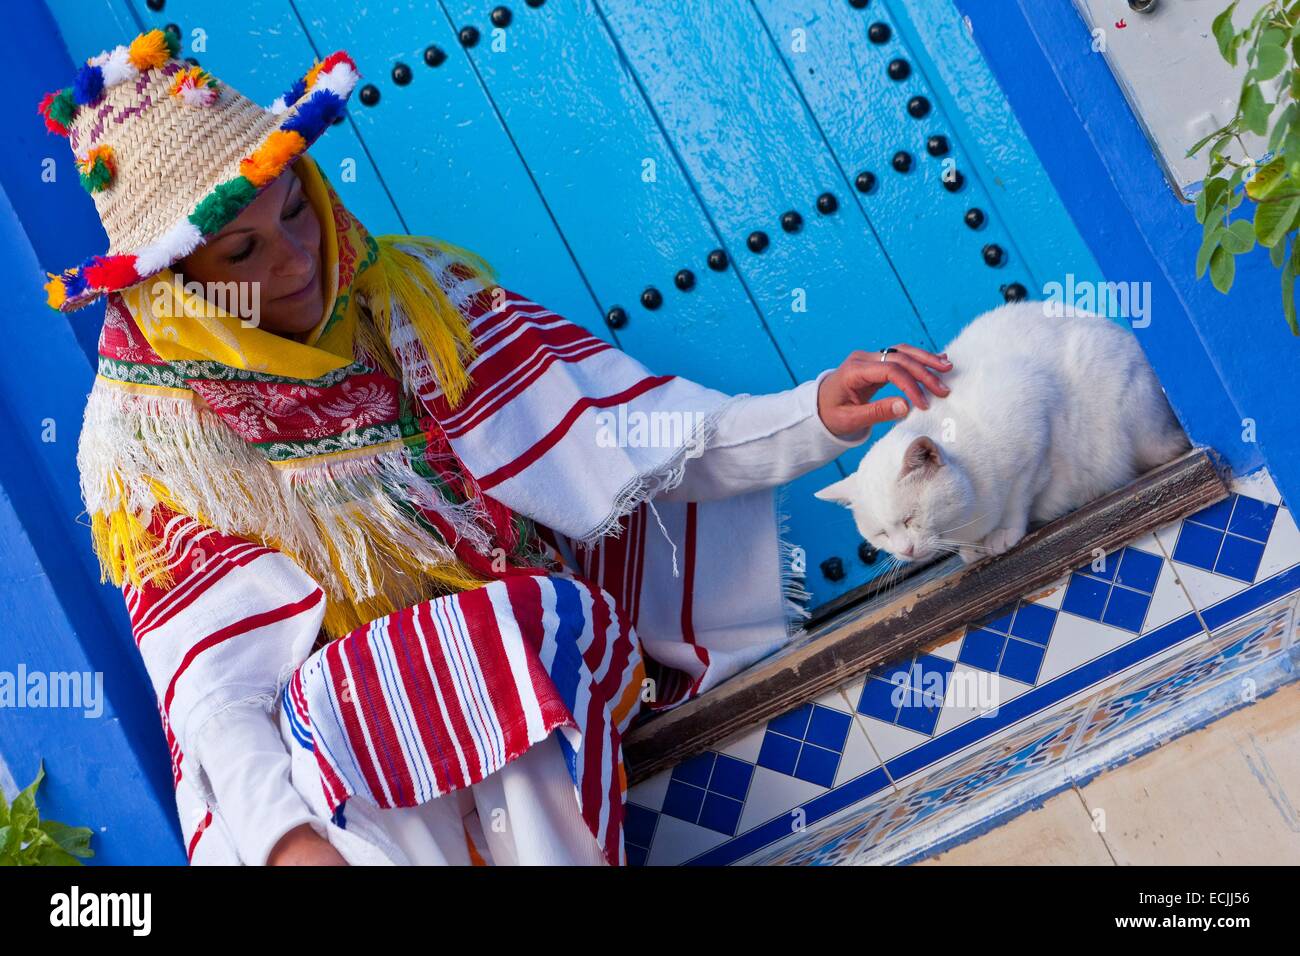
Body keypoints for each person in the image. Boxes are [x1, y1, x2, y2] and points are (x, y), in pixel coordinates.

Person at [41, 30, 951, 865]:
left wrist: (813, 413)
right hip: (334, 780)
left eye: (297, 210)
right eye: (242, 251)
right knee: (378, 694)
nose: (295, 260)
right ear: (175, 283)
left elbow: (632, 438)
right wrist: (286, 847)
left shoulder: (412, 303)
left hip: (528, 672)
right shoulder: (147, 442)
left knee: (501, 632)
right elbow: (214, 695)